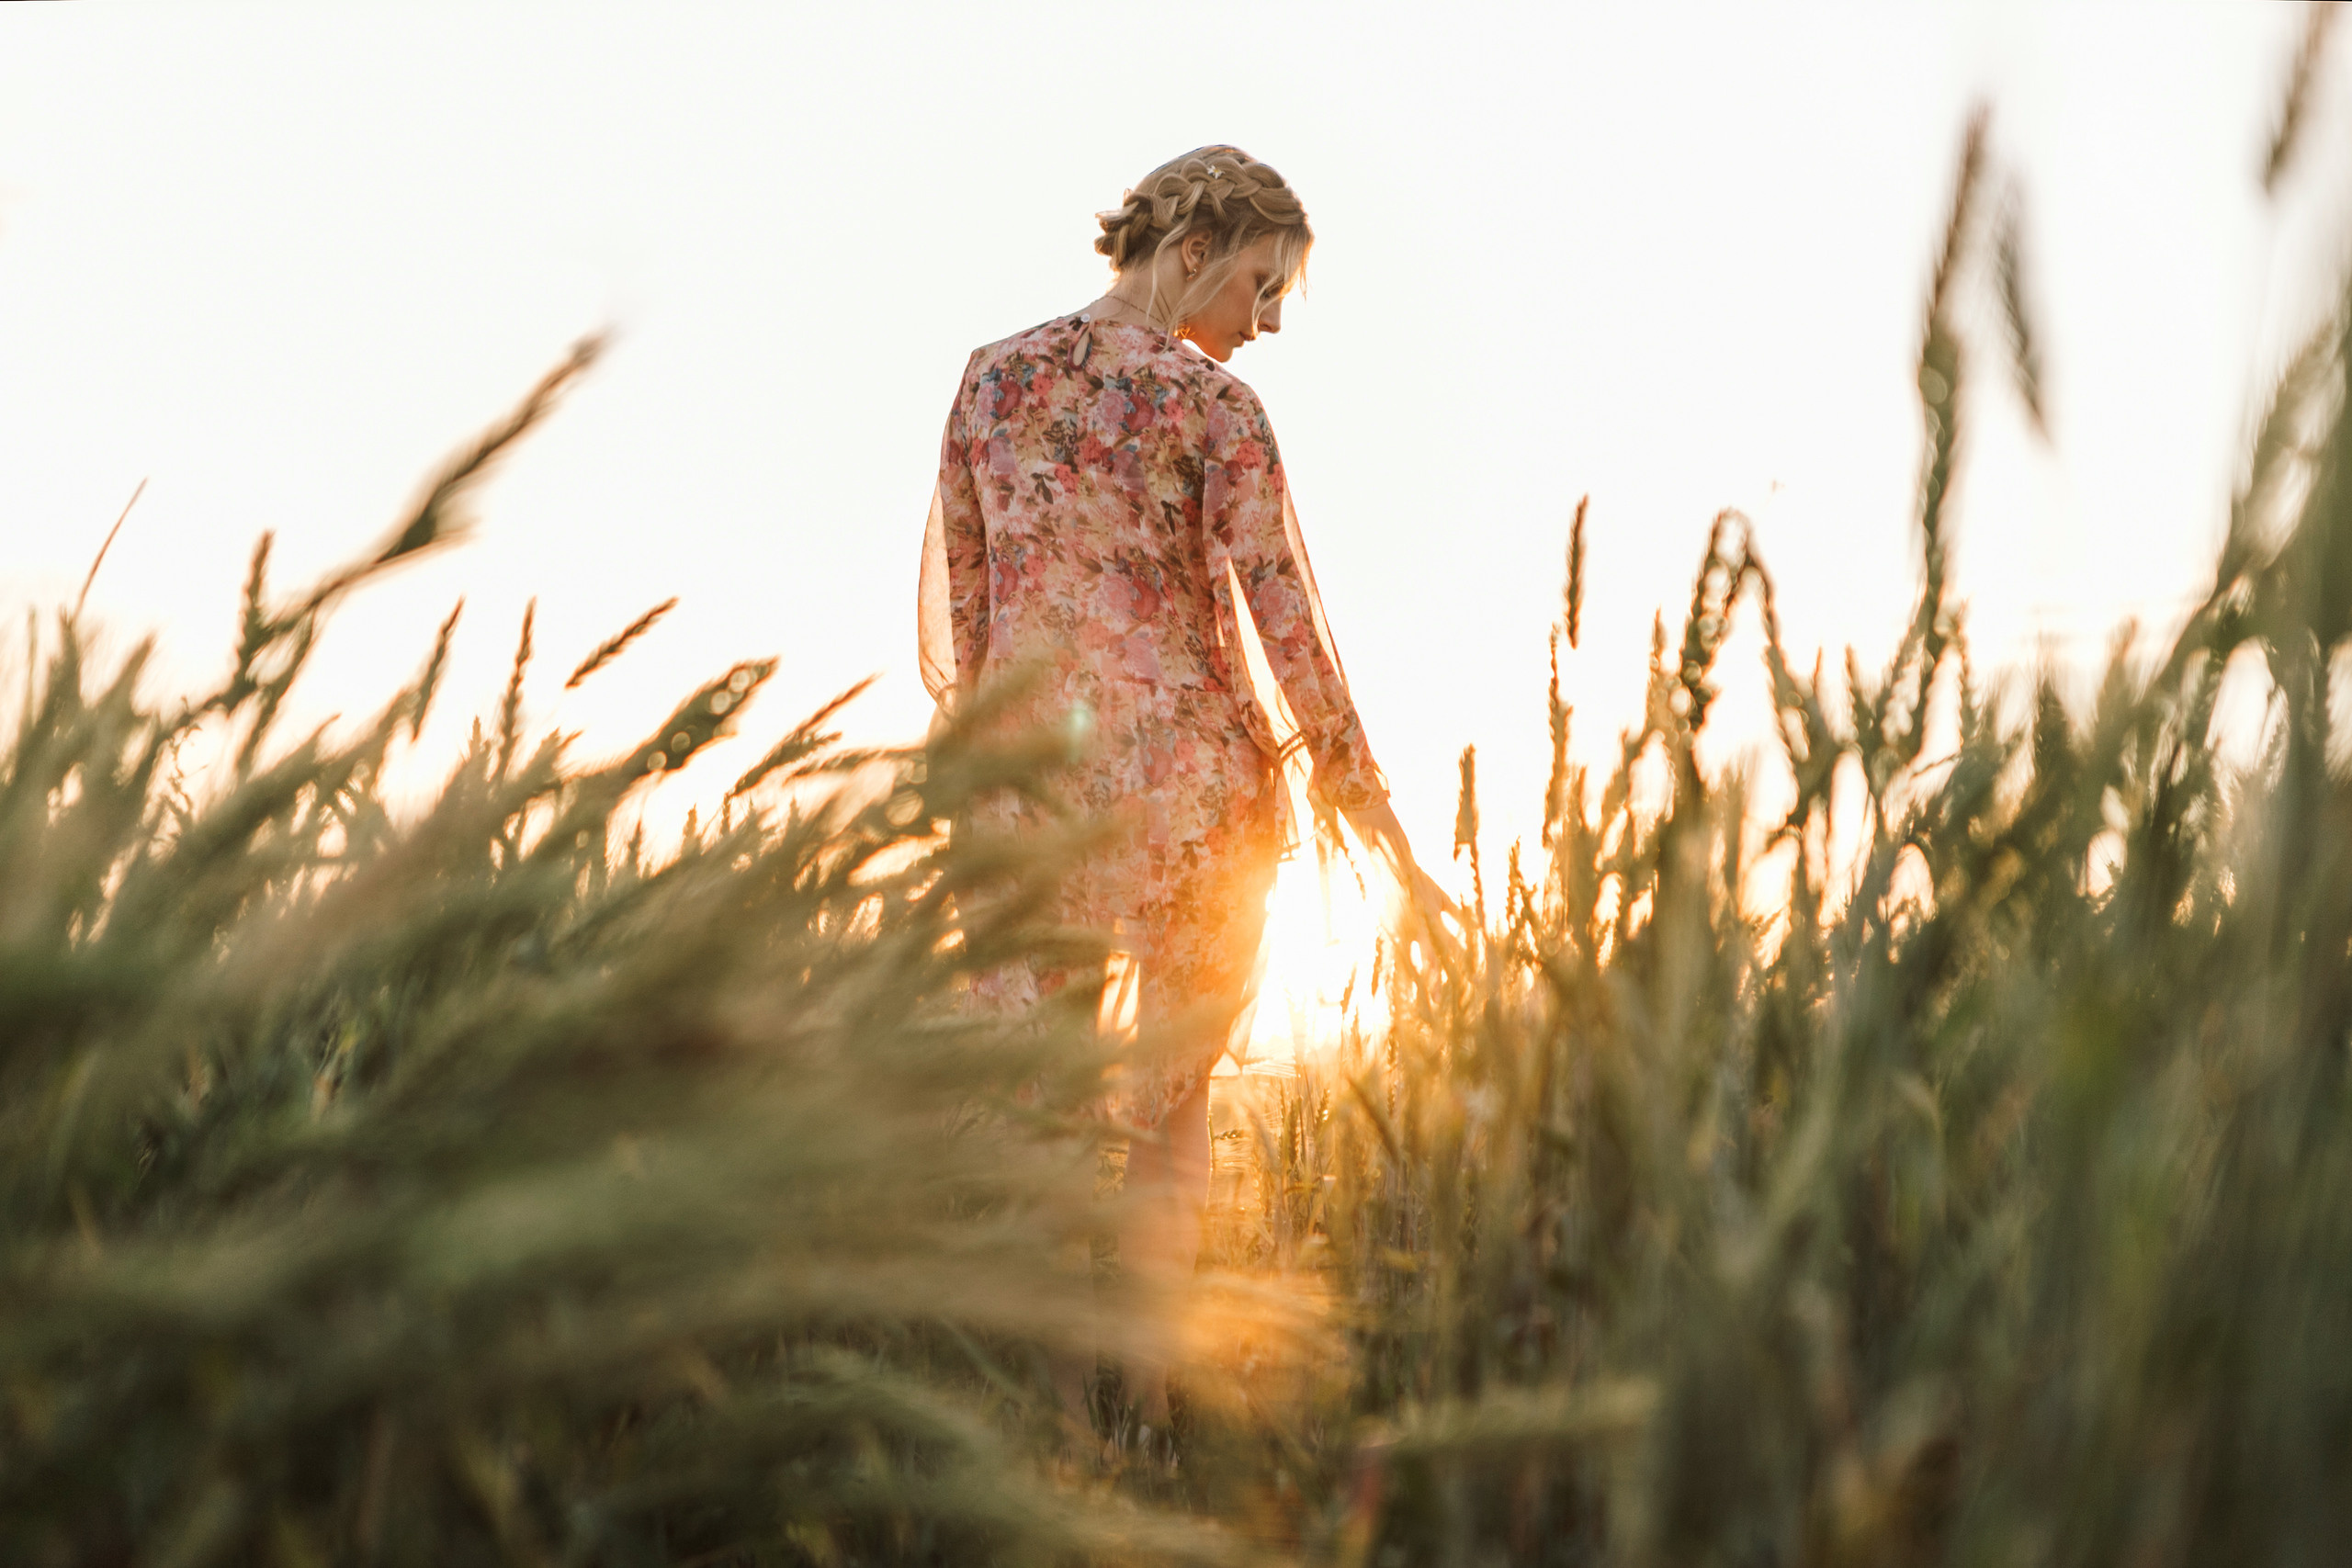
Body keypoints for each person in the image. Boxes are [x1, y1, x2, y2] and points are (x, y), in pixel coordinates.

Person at [916, 144, 1451, 1445]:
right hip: (1193, 798)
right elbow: (1286, 627)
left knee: (1039, 1115)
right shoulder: (1215, 411)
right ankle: (1149, 1420)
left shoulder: (993, 380)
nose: (1265, 326)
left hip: (1030, 796)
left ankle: (1051, 1425)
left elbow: (971, 622)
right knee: (1172, 1120)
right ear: (1195, 245)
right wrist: (1368, 809)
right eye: (1263, 288)